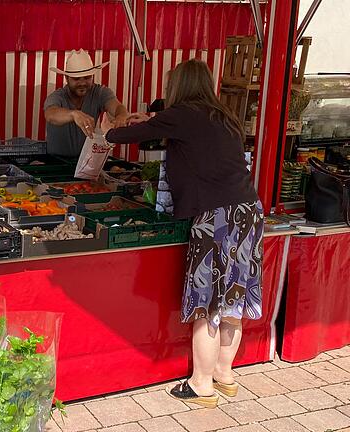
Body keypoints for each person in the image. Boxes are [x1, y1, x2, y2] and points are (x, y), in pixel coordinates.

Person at [105, 59, 264, 408]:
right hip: (248, 212)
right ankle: (225, 375)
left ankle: (201, 384)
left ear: (179, 86)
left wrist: (108, 131)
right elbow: (161, 126)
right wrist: (145, 120)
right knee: (233, 300)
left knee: (207, 304)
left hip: (216, 216)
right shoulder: (223, 115)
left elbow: (129, 135)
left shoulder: (184, 114)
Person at [43, 49, 129, 158]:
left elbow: (117, 107)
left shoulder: (100, 92)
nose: (82, 83)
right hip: (56, 162)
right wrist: (74, 114)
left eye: (87, 77)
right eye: (76, 79)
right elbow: (50, 115)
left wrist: (121, 116)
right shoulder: (57, 96)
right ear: (66, 78)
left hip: (88, 161)